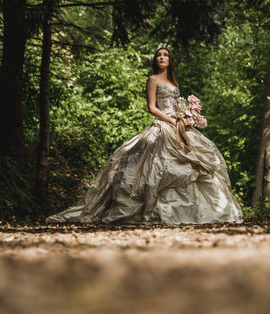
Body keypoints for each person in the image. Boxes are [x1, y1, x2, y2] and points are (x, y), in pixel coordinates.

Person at [46, 47, 243, 225]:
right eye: (159, 55)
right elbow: (151, 108)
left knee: (197, 160)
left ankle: (196, 211)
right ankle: (151, 210)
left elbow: (177, 106)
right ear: (155, 60)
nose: (162, 57)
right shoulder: (153, 79)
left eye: (165, 55)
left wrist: (187, 117)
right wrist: (172, 121)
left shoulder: (174, 82)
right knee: (155, 165)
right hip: (164, 126)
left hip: (179, 125)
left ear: (170, 60)